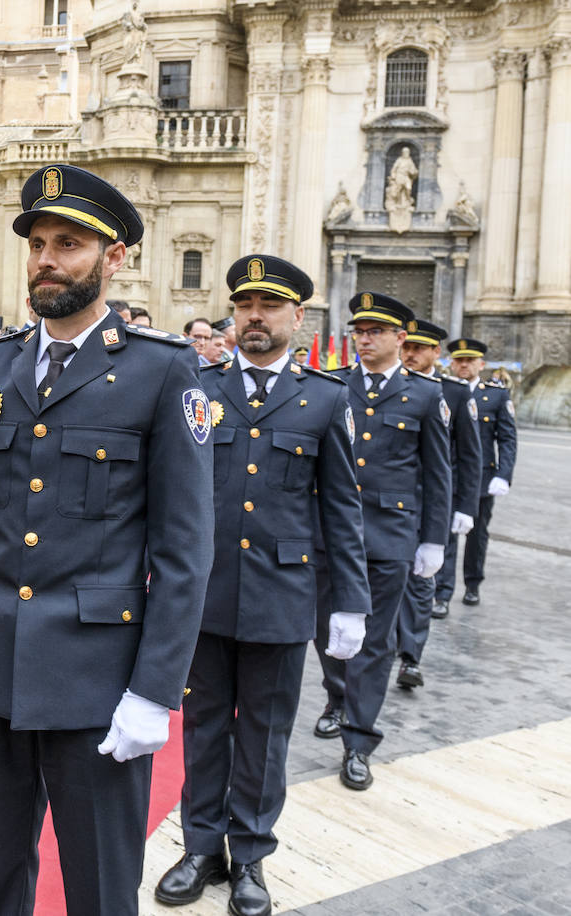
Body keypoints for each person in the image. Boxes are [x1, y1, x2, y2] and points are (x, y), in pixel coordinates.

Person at [0, 164, 213, 913]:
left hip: (97, 682)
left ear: (114, 259)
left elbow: (183, 552)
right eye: (38, 242)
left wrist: (153, 691)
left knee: (101, 884)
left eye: (69, 243)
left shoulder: (163, 373)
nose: (46, 258)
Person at [155, 256, 369, 916]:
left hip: (282, 597)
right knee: (205, 727)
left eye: (269, 306)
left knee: (266, 738)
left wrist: (350, 603)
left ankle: (250, 857)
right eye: (244, 304)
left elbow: (340, 509)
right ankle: (200, 848)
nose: (254, 316)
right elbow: (167, 492)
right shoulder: (198, 387)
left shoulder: (326, 398)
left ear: (297, 318)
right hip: (207, 595)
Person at [312, 293, 450, 792]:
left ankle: (358, 740)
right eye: (359, 331)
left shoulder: (426, 396)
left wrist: (433, 540)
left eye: (375, 332)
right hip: (330, 534)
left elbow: (438, 475)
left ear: (400, 339)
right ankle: (337, 697)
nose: (364, 339)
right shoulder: (330, 387)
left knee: (375, 642)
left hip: (390, 537)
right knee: (326, 629)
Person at [394, 320, 480, 688]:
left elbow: (469, 455)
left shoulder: (455, 394)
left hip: (428, 504)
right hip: (386, 504)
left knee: (418, 582)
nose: (410, 354)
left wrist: (466, 507)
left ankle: (411, 658)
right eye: (406, 347)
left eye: (419, 349)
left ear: (435, 353)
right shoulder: (385, 385)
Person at [442, 338, 516, 607]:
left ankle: (473, 583)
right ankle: (442, 593)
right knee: (444, 534)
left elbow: (507, 438)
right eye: (459, 360)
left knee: (477, 535)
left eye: (469, 361)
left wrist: (504, 474)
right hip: (448, 475)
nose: (463, 365)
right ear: (451, 362)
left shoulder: (495, 395)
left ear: (481, 364)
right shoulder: (442, 391)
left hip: (483, 478)